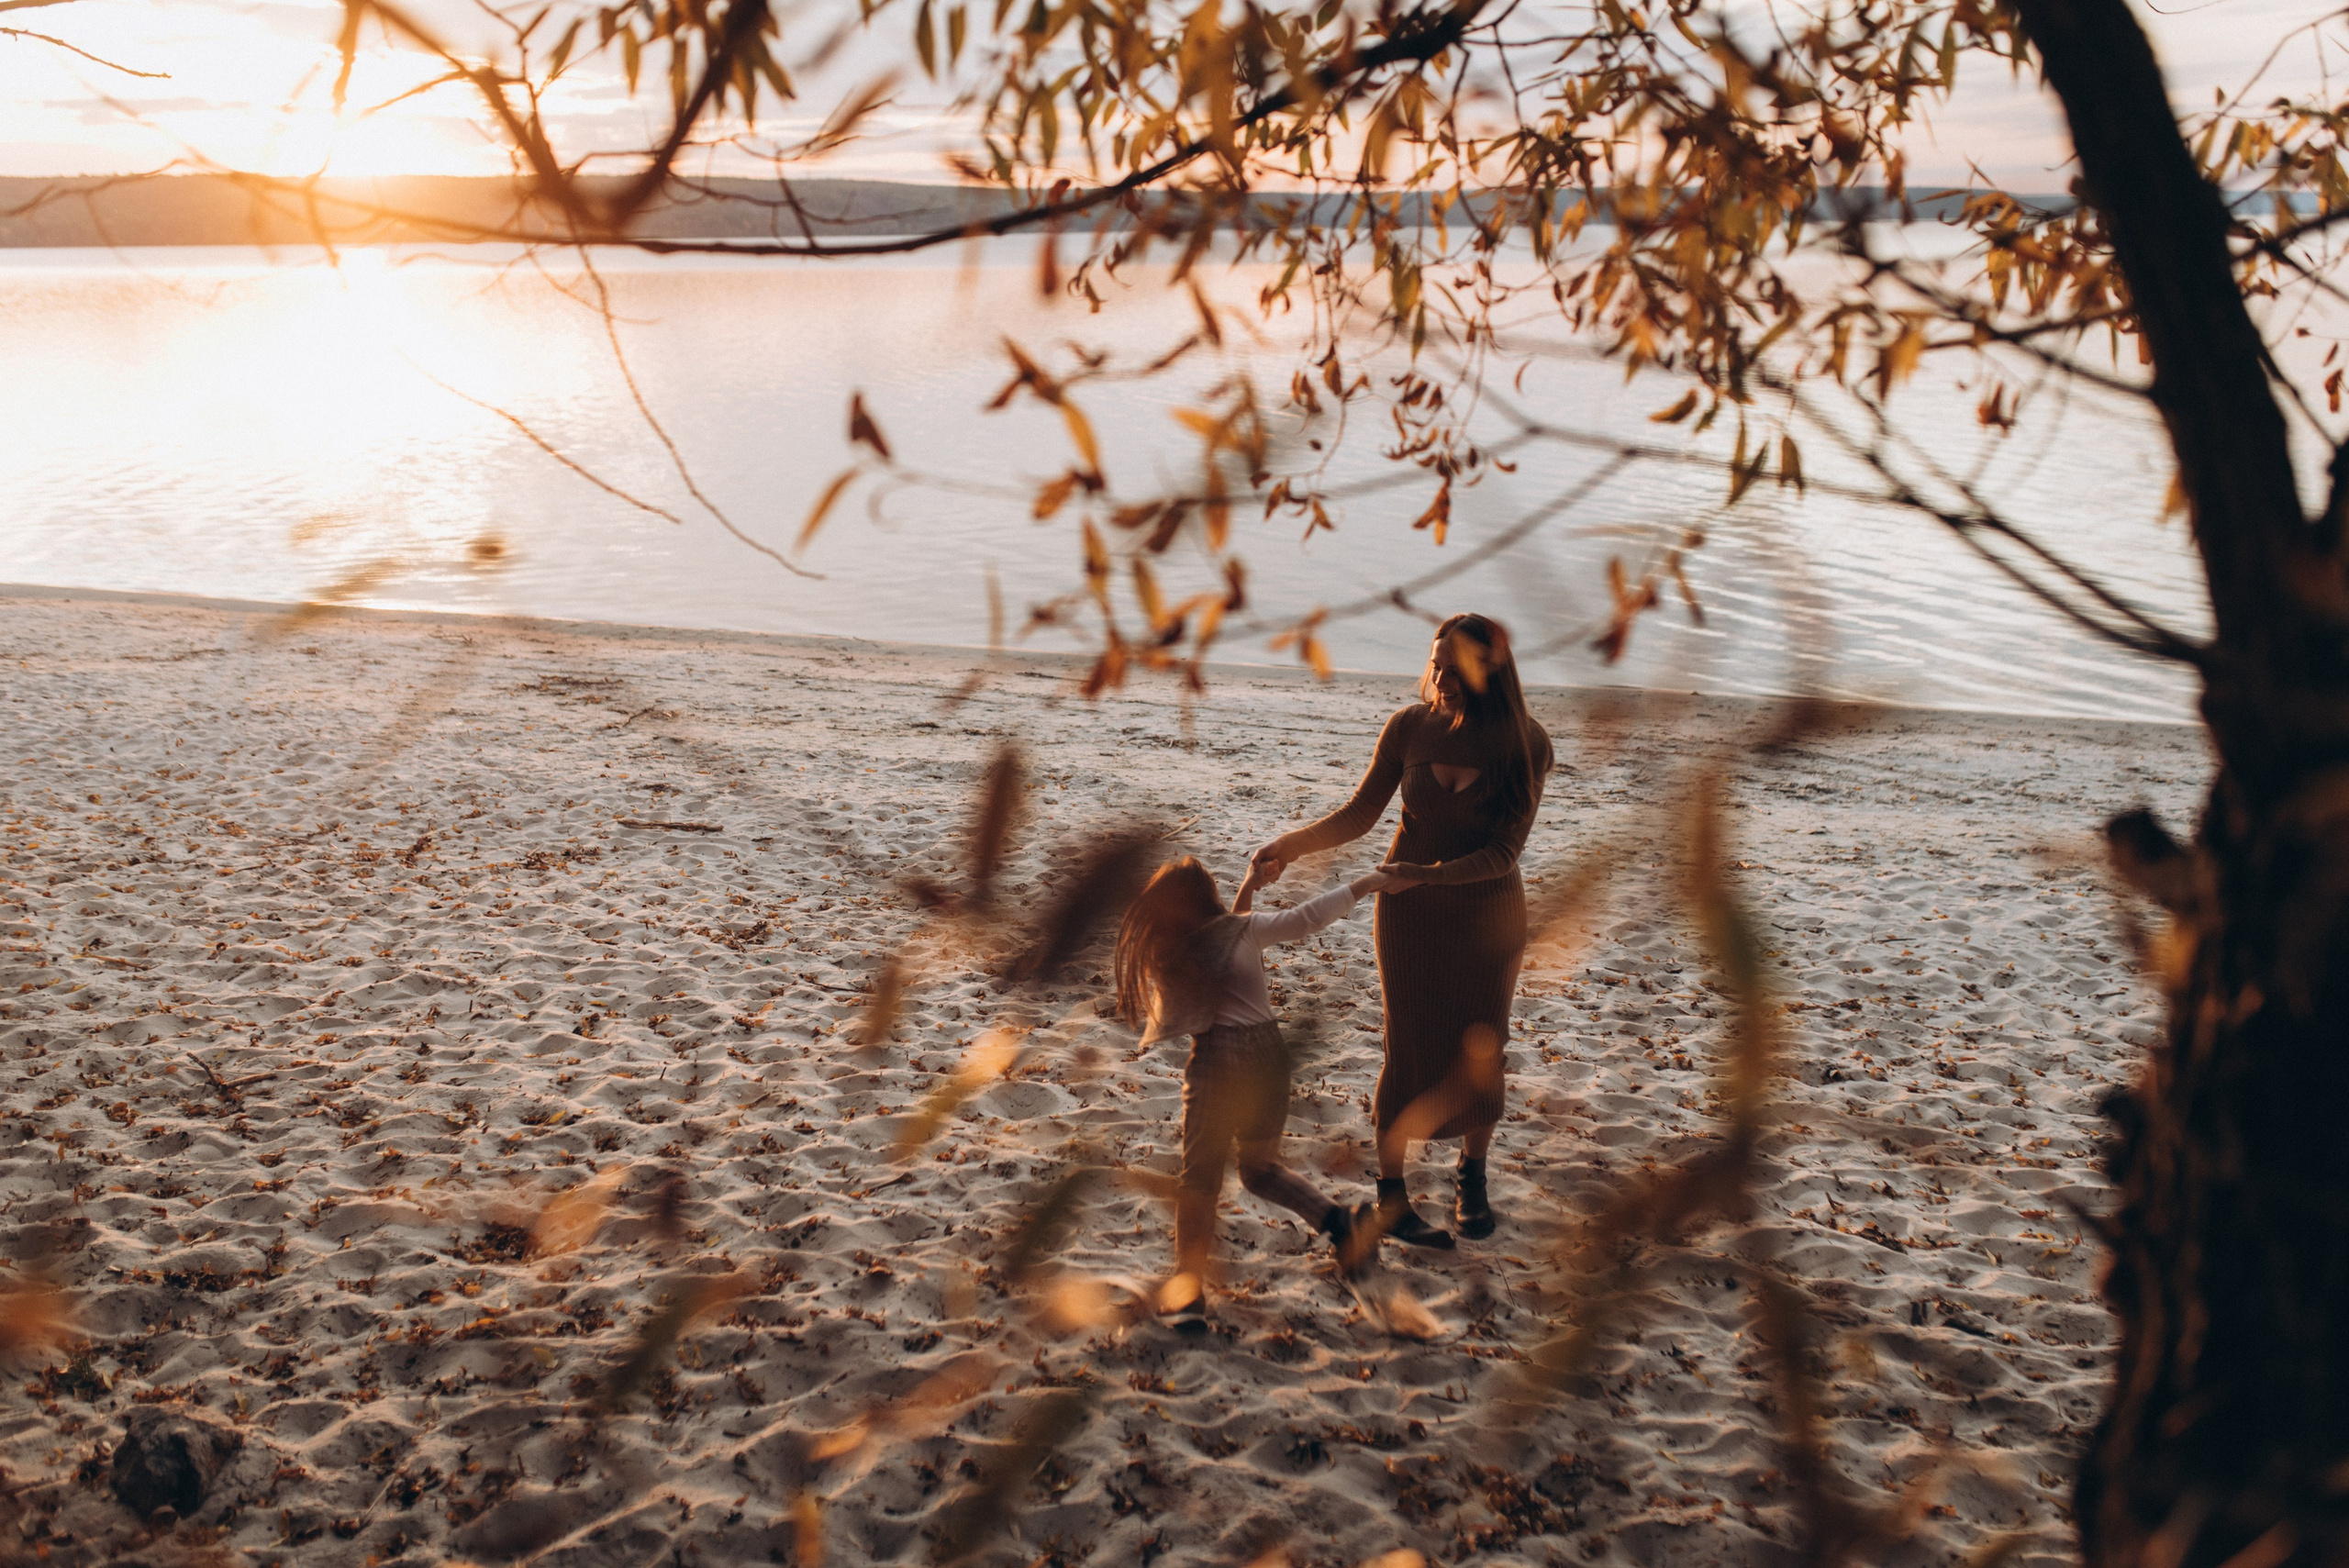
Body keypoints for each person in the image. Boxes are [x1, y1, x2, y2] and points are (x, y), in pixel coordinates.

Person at [1251, 613, 1553, 1248]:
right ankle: (1392, 1196)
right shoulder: (1410, 727)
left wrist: (1425, 871)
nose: (1438, 677)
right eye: (1435, 662)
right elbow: (1362, 813)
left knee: (1482, 1043)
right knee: (1408, 1042)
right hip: (1409, 915)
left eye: (1455, 667)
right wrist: (1289, 846)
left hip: (1488, 914)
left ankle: (1472, 1176)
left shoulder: (1527, 742)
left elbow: (1504, 852)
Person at [1113, 853, 1398, 1333]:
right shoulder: (1239, 934)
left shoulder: (1175, 949)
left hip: (1221, 1060)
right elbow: (1303, 919)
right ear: (1208, 897)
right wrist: (1368, 882)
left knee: (1198, 1181)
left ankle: (1186, 1294)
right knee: (1259, 1170)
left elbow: (1226, 933)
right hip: (1270, 1057)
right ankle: (1341, 1223)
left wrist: (1250, 884)